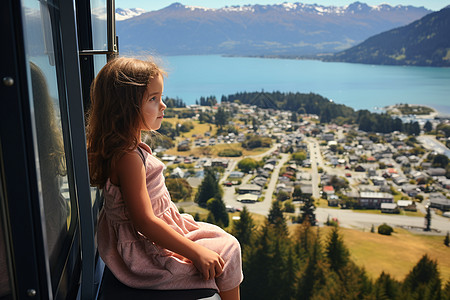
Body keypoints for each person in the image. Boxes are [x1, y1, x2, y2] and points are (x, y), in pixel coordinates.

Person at [86, 57, 243, 300]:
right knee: (229, 249)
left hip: (162, 228)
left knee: (222, 241)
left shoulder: (126, 149)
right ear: (125, 107)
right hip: (144, 248)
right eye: (153, 99)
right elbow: (144, 221)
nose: (164, 105)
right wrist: (195, 252)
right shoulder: (128, 158)